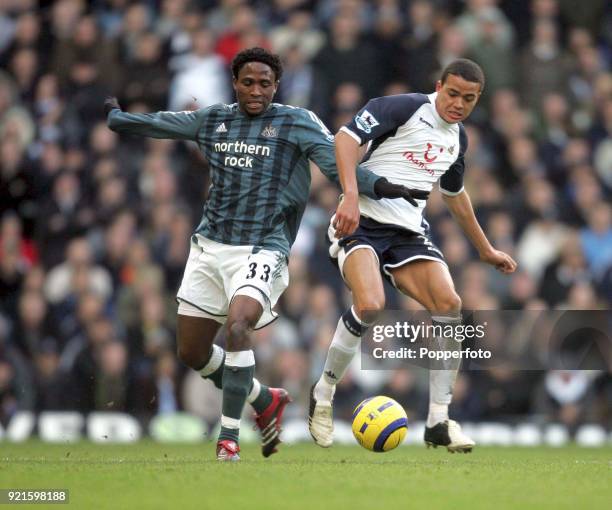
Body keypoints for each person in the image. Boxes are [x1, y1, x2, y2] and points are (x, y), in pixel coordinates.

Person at [105, 47, 426, 461]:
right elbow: (163, 124)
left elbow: (336, 166)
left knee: (239, 325)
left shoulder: (297, 122)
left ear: (277, 85)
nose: (257, 90)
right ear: (235, 83)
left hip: (263, 246)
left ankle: (228, 438)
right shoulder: (214, 119)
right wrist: (118, 118)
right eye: (248, 82)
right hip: (209, 246)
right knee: (191, 353)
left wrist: (383, 187)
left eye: (265, 83)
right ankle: (263, 398)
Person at [309, 59, 517, 453]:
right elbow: (345, 139)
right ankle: (323, 393)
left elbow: (454, 195)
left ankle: (439, 420)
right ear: (439, 86)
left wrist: (485, 249)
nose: (458, 103)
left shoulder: (458, 139)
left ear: (478, 100)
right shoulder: (401, 108)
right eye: (452, 93)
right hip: (362, 222)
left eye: (468, 99)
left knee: (450, 304)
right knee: (370, 305)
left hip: (406, 234)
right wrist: (351, 196)